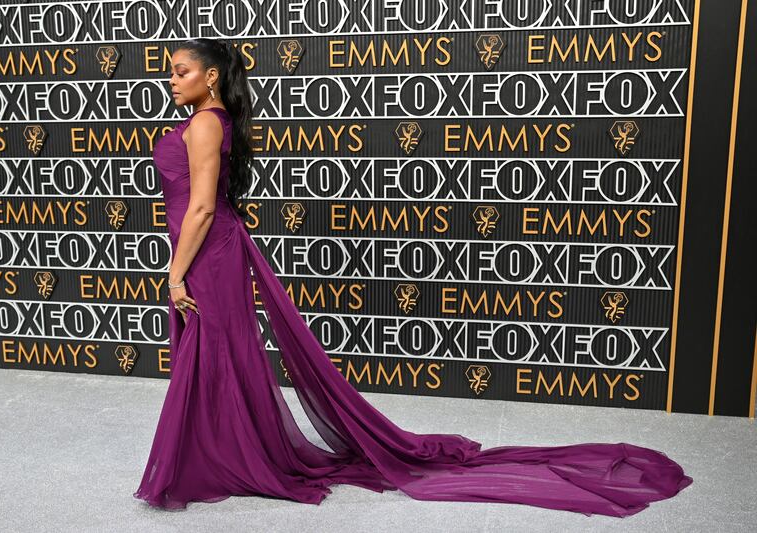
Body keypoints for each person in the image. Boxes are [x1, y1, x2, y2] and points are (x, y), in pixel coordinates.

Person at [133, 38, 692, 516]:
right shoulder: (210, 121)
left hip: (205, 254)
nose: (172, 81)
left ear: (211, 77)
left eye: (181, 72)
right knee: (216, 351)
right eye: (171, 73)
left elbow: (202, 207)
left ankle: (221, 458)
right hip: (210, 251)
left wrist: (175, 275)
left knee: (214, 349)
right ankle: (221, 454)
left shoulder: (204, 123)